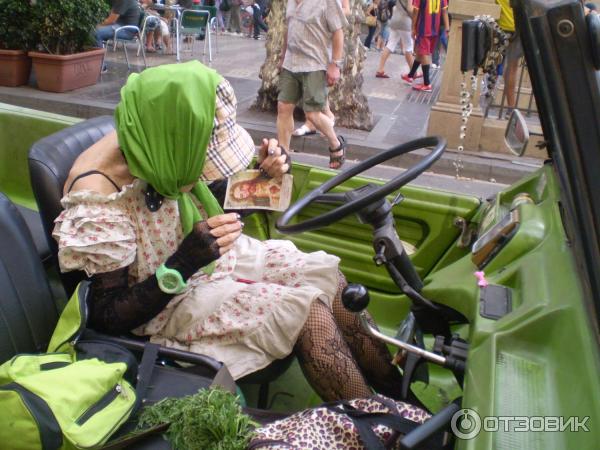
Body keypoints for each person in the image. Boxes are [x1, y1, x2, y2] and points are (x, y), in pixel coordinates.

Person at [53, 61, 404, 402]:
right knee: (304, 310)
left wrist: (264, 177)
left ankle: (396, 392)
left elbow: (213, 199)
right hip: (166, 301)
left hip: (206, 261)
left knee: (323, 273)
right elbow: (107, 316)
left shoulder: (157, 129)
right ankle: (378, 428)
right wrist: (182, 263)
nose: (205, 171)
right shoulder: (99, 199)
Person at [277, 0, 348, 169]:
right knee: (283, 107)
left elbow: (338, 32)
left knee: (312, 114)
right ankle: (283, 156)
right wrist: (282, 55)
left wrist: (335, 64)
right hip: (290, 63)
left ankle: (335, 143)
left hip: (314, 64)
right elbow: (289, 28)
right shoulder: (291, 2)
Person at [401, 0, 449, 92]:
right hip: (435, 29)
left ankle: (427, 84)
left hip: (423, 29)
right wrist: (447, 28)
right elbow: (444, 11)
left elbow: (415, 11)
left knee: (424, 53)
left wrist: (413, 27)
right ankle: (411, 75)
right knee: (420, 51)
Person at [95, 0, 141, 71]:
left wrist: (96, 25)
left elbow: (111, 20)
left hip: (126, 30)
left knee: (96, 33)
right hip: (119, 26)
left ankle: (101, 66)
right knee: (93, 31)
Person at [375, 0, 416, 78]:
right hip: (405, 22)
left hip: (395, 20)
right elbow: (410, 9)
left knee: (390, 45)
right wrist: (416, 16)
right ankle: (413, 72)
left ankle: (380, 69)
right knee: (408, 47)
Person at [496, 0, 522, 109]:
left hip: (499, 26)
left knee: (487, 62)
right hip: (518, 26)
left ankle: (486, 92)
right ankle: (511, 108)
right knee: (512, 68)